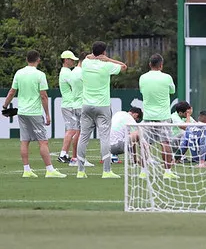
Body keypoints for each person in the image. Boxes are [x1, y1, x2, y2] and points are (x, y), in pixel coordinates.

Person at [2, 50, 66, 178]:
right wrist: (47, 114)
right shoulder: (40, 75)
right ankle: (50, 170)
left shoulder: (19, 73)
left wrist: (5, 105)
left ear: (27, 60)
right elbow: (43, 96)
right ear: (38, 60)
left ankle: (26, 170)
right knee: (43, 141)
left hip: (22, 112)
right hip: (34, 113)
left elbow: (12, 91)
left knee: (24, 141)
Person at [76, 41, 127, 179]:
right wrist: (108, 59)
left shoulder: (86, 62)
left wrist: (94, 56)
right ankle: (106, 171)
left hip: (86, 105)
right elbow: (123, 67)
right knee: (104, 137)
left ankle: (80, 171)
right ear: (104, 53)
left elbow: (86, 57)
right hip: (102, 105)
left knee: (83, 136)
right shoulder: (107, 65)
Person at [137, 53, 177, 179]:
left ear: (150, 64)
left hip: (148, 116)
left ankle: (143, 171)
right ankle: (167, 172)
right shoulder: (167, 77)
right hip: (163, 116)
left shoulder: (142, 78)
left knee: (145, 143)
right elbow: (172, 91)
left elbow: (142, 91)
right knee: (165, 143)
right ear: (161, 65)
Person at [57, 50, 80, 164]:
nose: (73, 62)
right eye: (71, 60)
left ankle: (64, 153)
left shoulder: (65, 72)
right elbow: (76, 84)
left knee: (72, 130)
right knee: (72, 130)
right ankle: (63, 154)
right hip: (70, 104)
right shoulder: (67, 73)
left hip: (68, 103)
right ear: (66, 60)